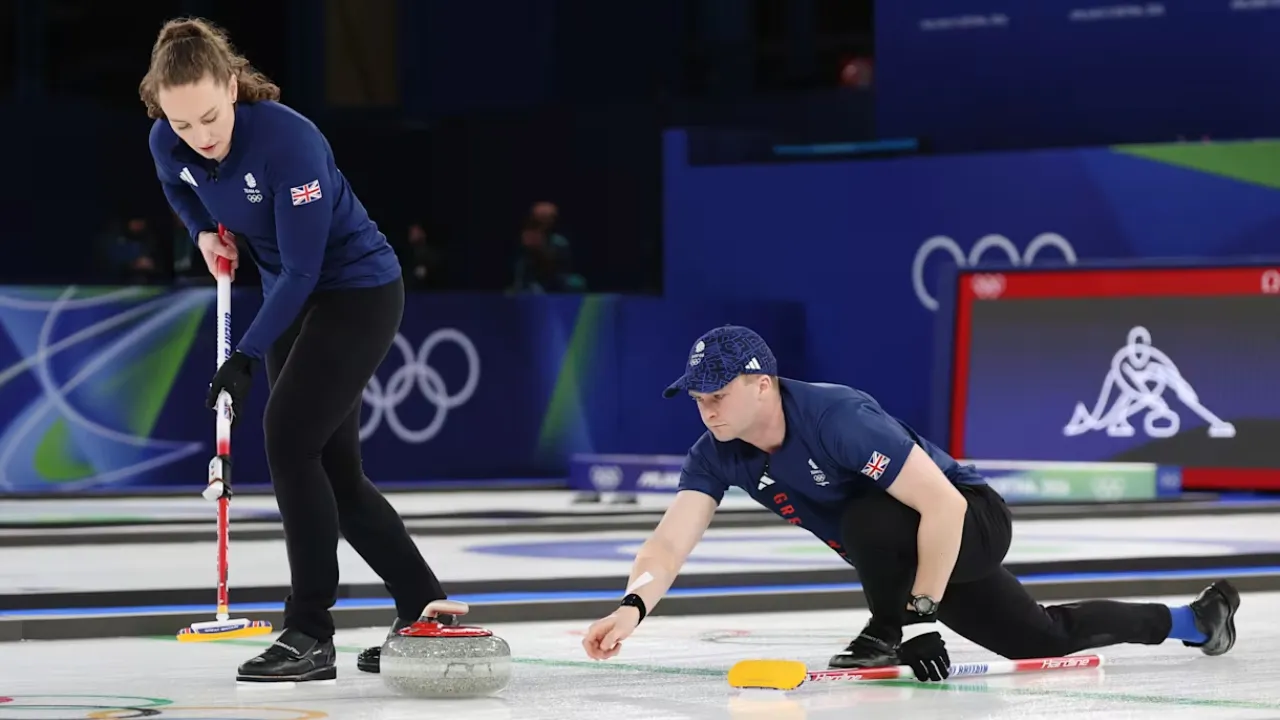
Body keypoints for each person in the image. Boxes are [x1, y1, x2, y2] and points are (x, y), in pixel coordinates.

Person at [580, 324, 1240, 681]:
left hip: (969, 518)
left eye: (716, 394)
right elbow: (669, 542)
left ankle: (881, 630)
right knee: (1038, 640)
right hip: (905, 556)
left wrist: (913, 619)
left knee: (865, 513)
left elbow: (943, 509)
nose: (706, 408)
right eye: (697, 397)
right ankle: (1197, 619)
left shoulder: (837, 417)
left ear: (761, 384)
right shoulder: (716, 452)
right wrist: (632, 605)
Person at [140, 17, 451, 682]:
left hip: (356, 292)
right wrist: (202, 233)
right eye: (182, 124)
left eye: (210, 117)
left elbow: (308, 270)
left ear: (232, 84)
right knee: (334, 470)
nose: (200, 137)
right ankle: (426, 611)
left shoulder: (289, 140)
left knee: (288, 439)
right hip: (291, 294)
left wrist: (245, 356)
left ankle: (309, 630)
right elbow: (176, 183)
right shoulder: (171, 142)